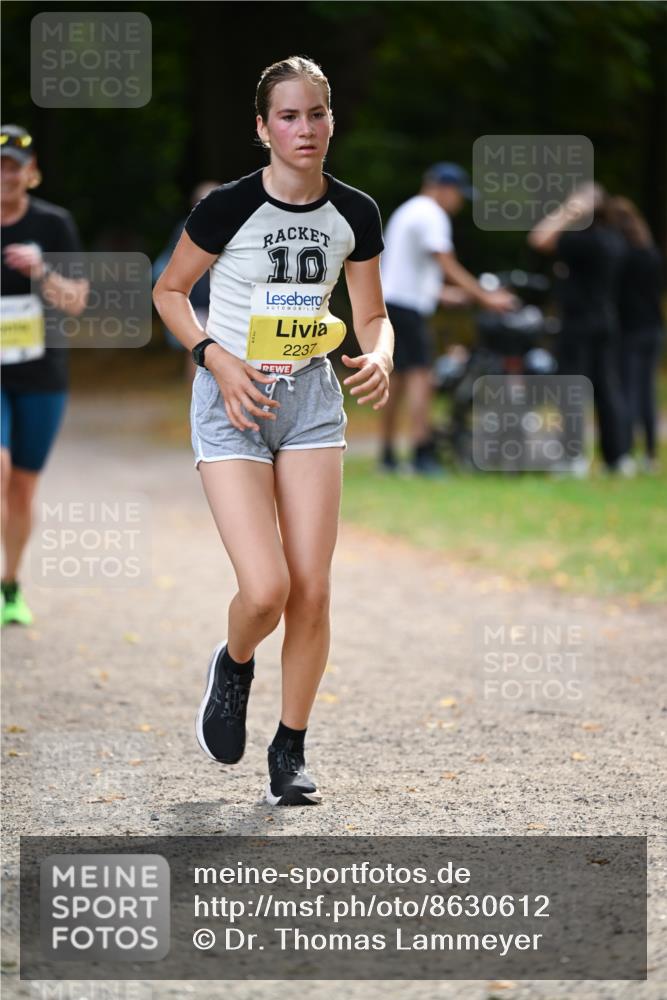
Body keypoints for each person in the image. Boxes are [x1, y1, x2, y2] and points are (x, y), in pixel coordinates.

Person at [153, 56, 393, 806]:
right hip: (233, 401)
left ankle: (289, 748)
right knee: (266, 590)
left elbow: (372, 314)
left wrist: (381, 355)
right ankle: (233, 664)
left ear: (331, 120)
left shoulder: (355, 212)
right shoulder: (227, 208)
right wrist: (214, 358)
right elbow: (169, 291)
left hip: (311, 401)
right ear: (263, 128)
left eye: (316, 113)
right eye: (288, 116)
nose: (304, 128)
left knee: (312, 590)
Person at [1, 125, 89, 627]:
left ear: (30, 173)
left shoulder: (53, 225)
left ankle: (10, 585)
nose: (4, 175)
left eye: (13, 167)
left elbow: (75, 302)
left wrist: (41, 270)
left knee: (21, 490)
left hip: (41, 375)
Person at [379, 162, 514, 476]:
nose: (459, 202)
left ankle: (387, 456)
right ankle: (422, 452)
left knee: (395, 381)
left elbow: (403, 270)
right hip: (408, 309)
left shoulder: (408, 211)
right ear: (443, 188)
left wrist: (443, 294)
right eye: (458, 194)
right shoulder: (431, 214)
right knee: (420, 377)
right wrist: (486, 297)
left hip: (392, 303)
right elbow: (446, 263)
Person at [528, 183, 634, 475]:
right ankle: (618, 457)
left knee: (571, 389)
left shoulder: (581, 240)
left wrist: (567, 210)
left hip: (578, 323)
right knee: (607, 389)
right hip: (606, 322)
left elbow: (538, 238)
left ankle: (572, 457)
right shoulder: (613, 238)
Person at [609, 196, 664, 472]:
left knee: (628, 391)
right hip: (654, 329)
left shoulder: (621, 256)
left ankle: (626, 451)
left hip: (629, 330)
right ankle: (651, 453)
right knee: (647, 392)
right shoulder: (650, 252)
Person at [152, 181, 220, 382]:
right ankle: (196, 392)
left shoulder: (232, 225)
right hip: (198, 300)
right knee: (200, 348)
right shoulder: (187, 229)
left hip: (219, 300)